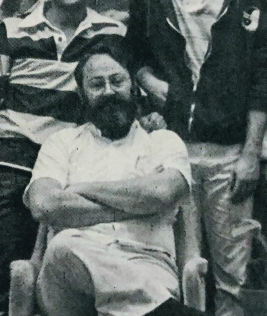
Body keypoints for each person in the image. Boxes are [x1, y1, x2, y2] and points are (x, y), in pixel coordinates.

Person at [125, 0, 267, 316]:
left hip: (230, 154)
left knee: (233, 276)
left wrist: (252, 153)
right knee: (175, 270)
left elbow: (265, 77)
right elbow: (132, 51)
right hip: (169, 155)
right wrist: (146, 80)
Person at [0, 0, 128, 316]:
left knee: (68, 278)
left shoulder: (112, 34)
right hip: (10, 161)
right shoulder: (13, 31)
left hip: (74, 166)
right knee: (1, 275)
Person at [24, 50, 203, 316]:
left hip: (149, 267)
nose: (109, 91)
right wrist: (139, 205)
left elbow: (162, 192)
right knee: (65, 244)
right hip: (67, 283)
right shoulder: (60, 143)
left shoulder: (164, 141)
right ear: (83, 95)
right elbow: (45, 205)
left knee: (71, 238)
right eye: (97, 85)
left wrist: (80, 190)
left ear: (133, 87)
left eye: (117, 81)